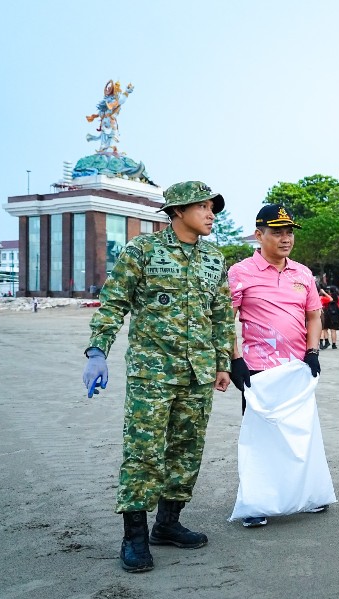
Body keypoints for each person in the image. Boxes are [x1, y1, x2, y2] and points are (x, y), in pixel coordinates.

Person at [82, 180, 234, 573]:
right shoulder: (142, 250)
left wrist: (222, 363)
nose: (210, 214)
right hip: (152, 372)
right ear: (178, 212)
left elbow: (221, 315)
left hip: (198, 372)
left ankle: (167, 523)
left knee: (186, 450)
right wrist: (98, 351)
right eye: (202, 207)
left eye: (212, 208)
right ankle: (134, 535)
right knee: (143, 453)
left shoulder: (215, 258)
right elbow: (113, 302)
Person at [228, 204, 324, 528]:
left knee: (300, 435)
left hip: (296, 369)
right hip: (258, 370)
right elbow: (228, 319)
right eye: (277, 232)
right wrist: (235, 360)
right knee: (260, 439)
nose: (285, 238)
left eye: (289, 232)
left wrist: (313, 352)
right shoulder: (241, 272)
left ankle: (307, 494)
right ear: (259, 235)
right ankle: (256, 503)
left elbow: (313, 315)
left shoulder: (303, 274)